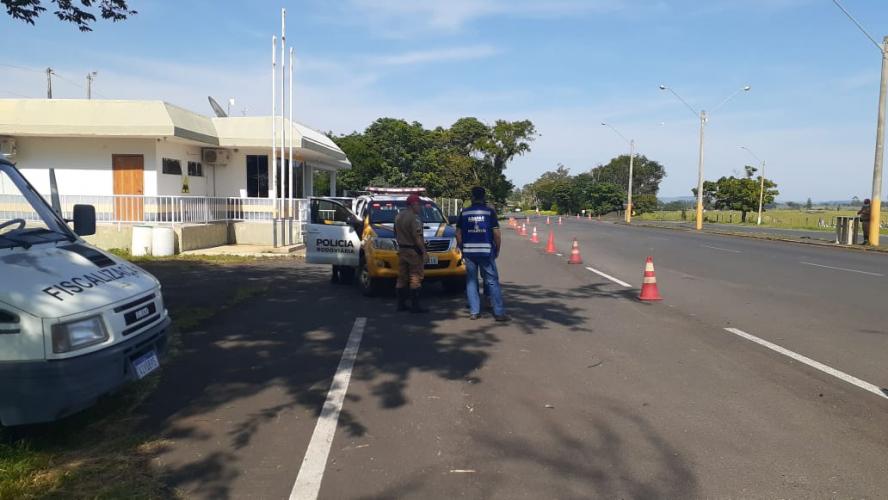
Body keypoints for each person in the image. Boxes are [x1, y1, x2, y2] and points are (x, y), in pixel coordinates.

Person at [456, 187, 508, 321]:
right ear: (484, 197)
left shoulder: (464, 213)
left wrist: (462, 247)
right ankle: (499, 313)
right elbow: (496, 234)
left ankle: (474, 311)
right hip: (486, 251)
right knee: (492, 281)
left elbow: (458, 233)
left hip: (469, 252)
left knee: (471, 281)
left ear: (472, 197)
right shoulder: (489, 212)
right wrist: (497, 249)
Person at [394, 193, 428, 313]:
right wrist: (424, 252)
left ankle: (400, 304)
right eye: (418, 204)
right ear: (413, 204)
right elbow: (417, 237)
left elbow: (395, 233)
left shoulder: (398, 216)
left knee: (402, 277)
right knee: (415, 277)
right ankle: (415, 306)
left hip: (402, 250)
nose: (420, 207)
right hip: (413, 251)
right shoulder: (414, 218)